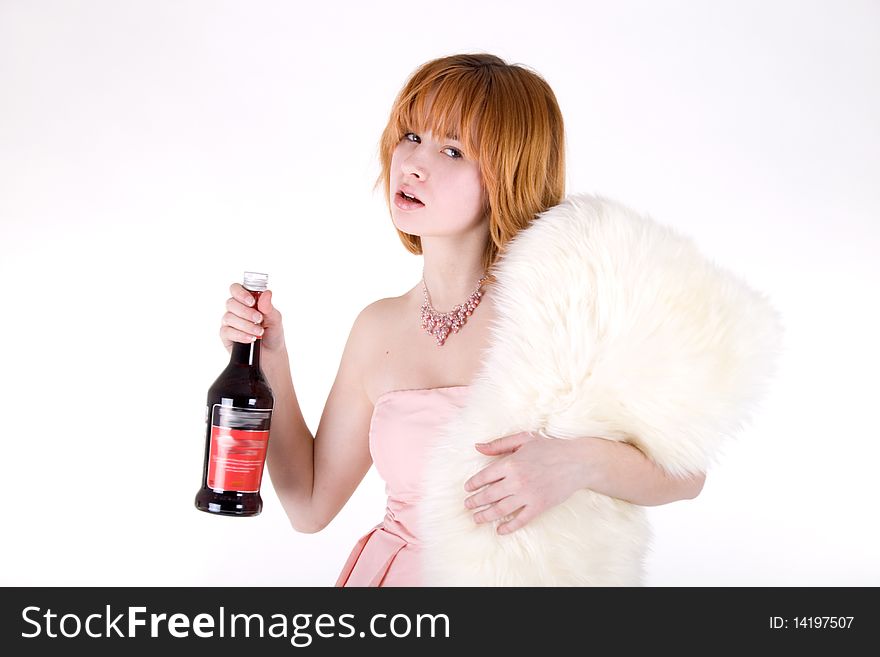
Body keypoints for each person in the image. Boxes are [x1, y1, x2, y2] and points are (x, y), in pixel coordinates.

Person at [218, 53, 705, 587]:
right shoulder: (377, 327)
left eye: (452, 149)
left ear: (507, 176)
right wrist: (270, 360)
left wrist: (575, 463)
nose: (414, 163)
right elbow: (309, 506)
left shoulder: (566, 312)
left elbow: (687, 472)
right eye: (410, 136)